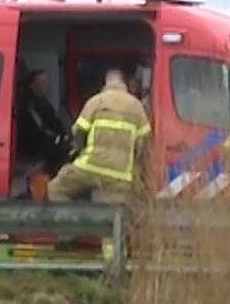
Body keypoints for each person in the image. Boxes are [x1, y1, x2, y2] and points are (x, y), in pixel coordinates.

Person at [46, 68, 151, 203]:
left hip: (91, 166)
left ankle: (73, 220)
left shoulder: (96, 101)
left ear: (105, 83)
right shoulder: (137, 107)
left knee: (55, 189)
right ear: (126, 84)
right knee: (112, 209)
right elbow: (145, 142)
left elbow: (79, 131)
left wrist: (79, 151)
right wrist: (136, 170)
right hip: (120, 173)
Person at [13, 69, 72, 198]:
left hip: (43, 145)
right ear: (32, 85)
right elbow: (38, 129)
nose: (47, 86)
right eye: (43, 82)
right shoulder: (29, 104)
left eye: (47, 82)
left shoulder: (43, 102)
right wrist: (57, 140)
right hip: (33, 149)